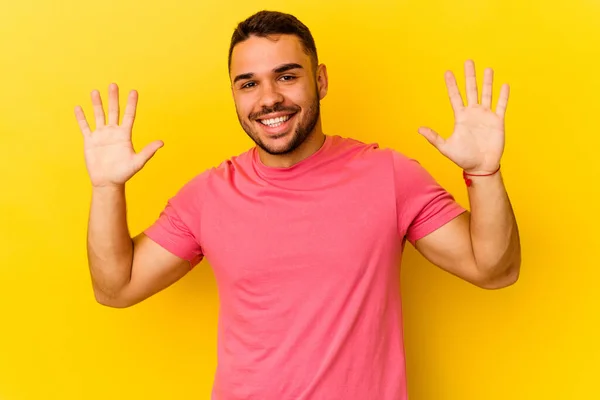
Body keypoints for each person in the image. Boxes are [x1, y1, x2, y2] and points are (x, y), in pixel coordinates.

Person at [74, 10, 521, 400]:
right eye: (249, 83)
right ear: (234, 94)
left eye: (287, 76)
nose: (269, 98)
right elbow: (116, 288)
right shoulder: (208, 195)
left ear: (320, 80)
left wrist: (483, 174)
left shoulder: (389, 176)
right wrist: (107, 189)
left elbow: (494, 269)